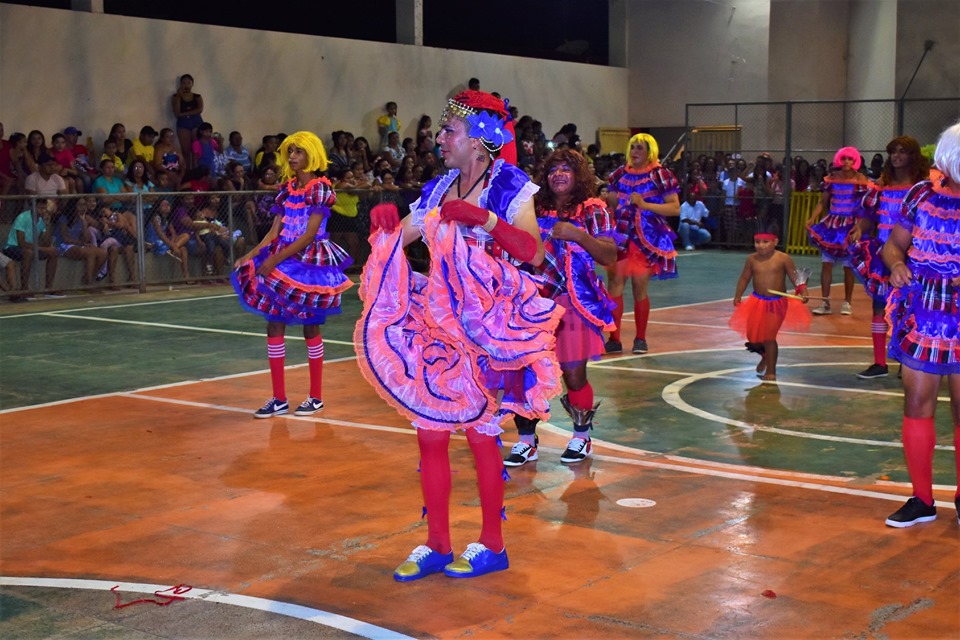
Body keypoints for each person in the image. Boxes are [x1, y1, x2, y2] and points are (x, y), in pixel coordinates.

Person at [355, 90, 561, 581]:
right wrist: (385, 226)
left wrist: (486, 219)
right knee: (430, 434)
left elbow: (533, 252)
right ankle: (438, 543)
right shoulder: (440, 184)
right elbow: (402, 234)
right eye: (443, 130)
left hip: (489, 328)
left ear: (479, 140)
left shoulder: (511, 184)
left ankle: (493, 543)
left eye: (450, 131)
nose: (439, 138)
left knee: (480, 436)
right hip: (438, 323)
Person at [503, 148, 617, 468]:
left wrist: (578, 234)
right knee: (523, 370)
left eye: (566, 169)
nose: (559, 174)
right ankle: (527, 440)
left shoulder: (592, 209)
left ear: (578, 175)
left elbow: (609, 255)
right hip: (531, 302)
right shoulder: (532, 207)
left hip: (573, 302)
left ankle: (581, 435)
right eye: (553, 169)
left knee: (573, 373)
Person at [231, 131, 353, 419]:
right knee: (274, 325)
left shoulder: (320, 188)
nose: (293, 157)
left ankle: (316, 397)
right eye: (290, 152)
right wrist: (250, 255)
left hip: (308, 263)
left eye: (298, 151)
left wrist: (274, 260)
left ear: (311, 154)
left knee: (310, 326)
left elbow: (310, 234)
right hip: (283, 258)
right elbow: (275, 231)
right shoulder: (287, 190)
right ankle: (279, 398)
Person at [880, 121, 960, 528]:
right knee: (916, 403)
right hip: (924, 313)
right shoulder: (920, 195)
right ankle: (922, 499)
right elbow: (893, 243)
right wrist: (895, 264)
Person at [848, 136, 930, 379]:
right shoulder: (880, 186)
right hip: (883, 253)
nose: (896, 157)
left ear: (912, 156)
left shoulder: (924, 188)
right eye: (893, 152)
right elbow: (868, 214)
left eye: (902, 152)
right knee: (879, 306)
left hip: (914, 254)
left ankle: (908, 360)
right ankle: (879, 363)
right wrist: (860, 228)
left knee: (911, 307)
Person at [604, 133, 681, 354]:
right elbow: (612, 201)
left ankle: (640, 338)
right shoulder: (619, 174)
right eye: (633, 147)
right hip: (620, 236)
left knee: (639, 287)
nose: (636, 152)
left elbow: (674, 208)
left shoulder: (660, 175)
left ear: (650, 152)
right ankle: (614, 338)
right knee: (615, 284)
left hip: (645, 238)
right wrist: (610, 200)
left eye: (640, 148)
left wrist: (645, 204)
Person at [730, 223, 811, 381]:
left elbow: (795, 277)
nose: (760, 246)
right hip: (757, 301)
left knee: (769, 336)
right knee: (753, 337)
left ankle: (771, 372)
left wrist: (803, 291)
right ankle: (765, 356)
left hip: (777, 303)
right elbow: (745, 278)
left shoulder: (783, 258)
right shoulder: (751, 259)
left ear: (775, 241)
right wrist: (738, 295)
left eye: (765, 242)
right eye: (757, 242)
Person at [806, 147, 873, 316]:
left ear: (855, 161)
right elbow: (823, 202)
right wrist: (813, 217)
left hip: (851, 225)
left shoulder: (860, 179)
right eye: (843, 159)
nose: (846, 162)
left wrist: (860, 225)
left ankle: (847, 303)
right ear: (839, 160)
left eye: (850, 159)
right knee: (826, 263)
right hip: (832, 224)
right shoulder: (832, 178)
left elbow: (864, 205)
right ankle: (825, 302)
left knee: (848, 266)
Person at [2, 199, 60, 296]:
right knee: (28, 252)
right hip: (12, 247)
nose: (43, 211)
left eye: (45, 208)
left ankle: (48, 288)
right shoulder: (23, 217)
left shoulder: (42, 220)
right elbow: (22, 243)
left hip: (32, 248)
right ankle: (25, 288)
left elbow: (46, 242)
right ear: (33, 207)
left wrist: (47, 224)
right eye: (40, 208)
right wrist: (43, 249)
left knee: (53, 252)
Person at [172, 73, 204, 170]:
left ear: (192, 84)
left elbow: (200, 109)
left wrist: (184, 114)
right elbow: (177, 113)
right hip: (183, 124)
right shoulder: (175, 97)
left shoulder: (197, 96)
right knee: (186, 151)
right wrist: (178, 96)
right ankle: (187, 172)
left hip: (196, 122)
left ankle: (198, 171)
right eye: (184, 83)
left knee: (196, 150)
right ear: (180, 84)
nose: (186, 85)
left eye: (188, 82)